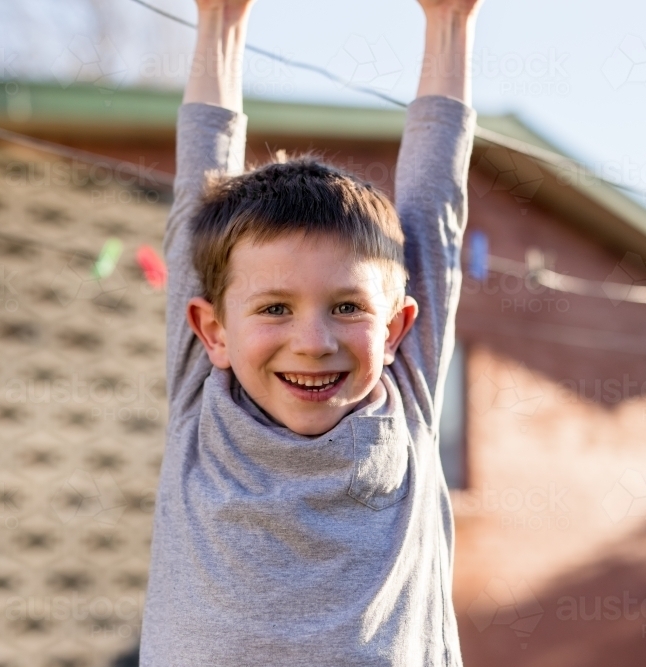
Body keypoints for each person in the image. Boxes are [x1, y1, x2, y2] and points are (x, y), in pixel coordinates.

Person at [141, 0, 482, 663]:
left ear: (396, 329)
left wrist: (452, 23)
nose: (314, 340)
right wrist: (220, 22)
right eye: (274, 308)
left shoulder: (404, 397)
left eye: (348, 307)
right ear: (211, 329)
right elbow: (199, 184)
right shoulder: (200, 401)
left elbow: (435, 210)